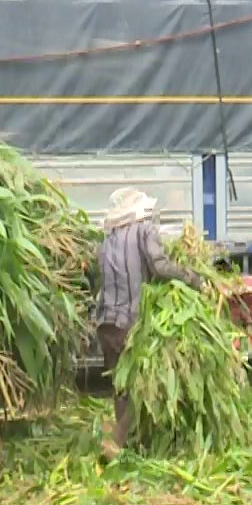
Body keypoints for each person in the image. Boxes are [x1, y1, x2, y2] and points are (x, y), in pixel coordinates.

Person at [92, 187, 203, 454]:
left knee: (121, 385)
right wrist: (191, 277)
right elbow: (160, 266)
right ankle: (117, 442)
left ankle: (129, 441)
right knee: (142, 386)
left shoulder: (105, 240)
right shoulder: (144, 231)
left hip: (105, 323)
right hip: (131, 323)